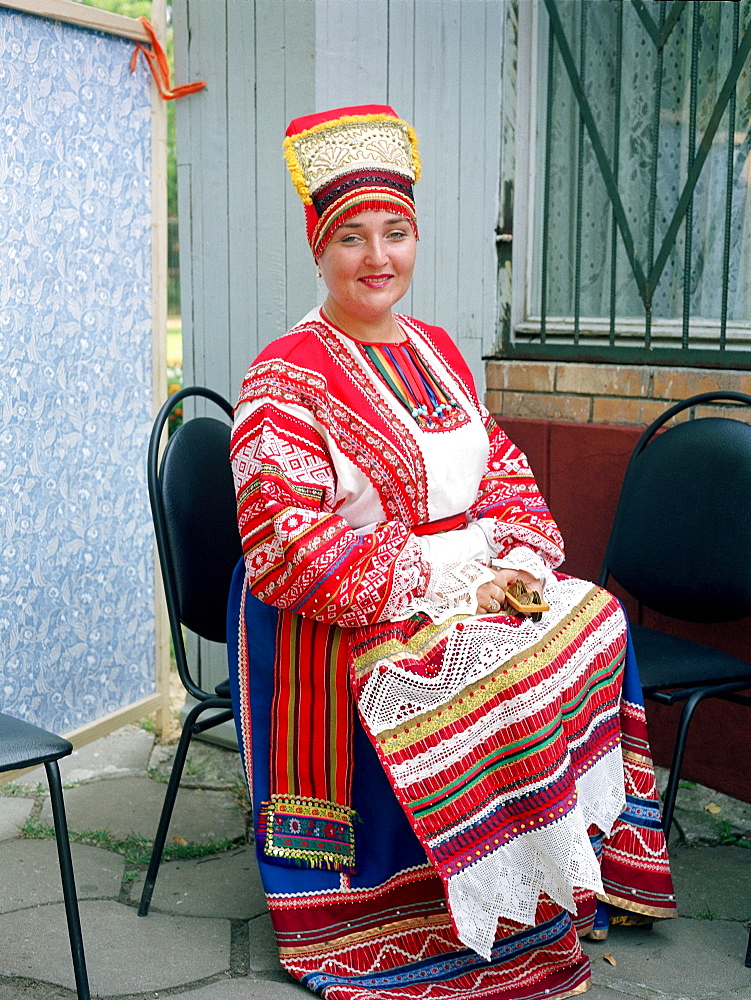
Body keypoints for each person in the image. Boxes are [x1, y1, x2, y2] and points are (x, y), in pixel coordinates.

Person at [228, 104, 675, 1000]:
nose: (376, 257)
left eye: (395, 233)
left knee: (592, 617)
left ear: (415, 240)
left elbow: (500, 468)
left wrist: (515, 558)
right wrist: (448, 574)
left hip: (463, 581)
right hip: (340, 611)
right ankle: (443, 907)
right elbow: (285, 546)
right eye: (350, 238)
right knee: (484, 679)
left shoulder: (437, 352)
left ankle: (567, 865)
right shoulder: (284, 374)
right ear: (318, 249)